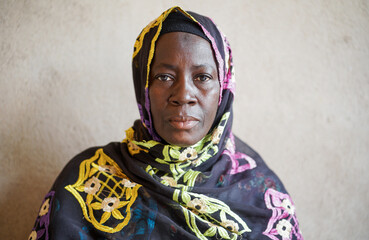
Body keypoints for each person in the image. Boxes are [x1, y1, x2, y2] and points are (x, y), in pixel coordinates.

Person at [29, 6, 303, 240]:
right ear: (143, 87)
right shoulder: (88, 179)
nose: (183, 95)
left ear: (223, 89)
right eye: (164, 77)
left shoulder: (263, 197)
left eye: (203, 77)